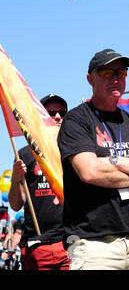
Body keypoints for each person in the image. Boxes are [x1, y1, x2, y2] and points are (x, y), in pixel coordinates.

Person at [57, 48, 129, 270]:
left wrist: (114, 161)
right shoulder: (76, 121)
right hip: (93, 243)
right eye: (108, 73)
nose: (116, 78)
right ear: (90, 79)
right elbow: (90, 172)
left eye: (122, 73)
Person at [8, 94, 70, 270]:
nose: (57, 116)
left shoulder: (75, 150)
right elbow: (14, 204)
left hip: (70, 241)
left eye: (62, 112)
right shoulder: (25, 154)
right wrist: (15, 178)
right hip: (37, 245)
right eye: (51, 112)